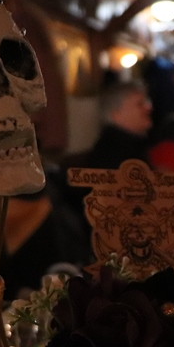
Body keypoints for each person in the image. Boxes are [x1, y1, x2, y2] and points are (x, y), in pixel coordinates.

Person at [48, 80, 154, 266]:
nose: (148, 108)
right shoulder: (116, 155)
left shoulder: (127, 149)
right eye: (139, 103)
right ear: (115, 114)